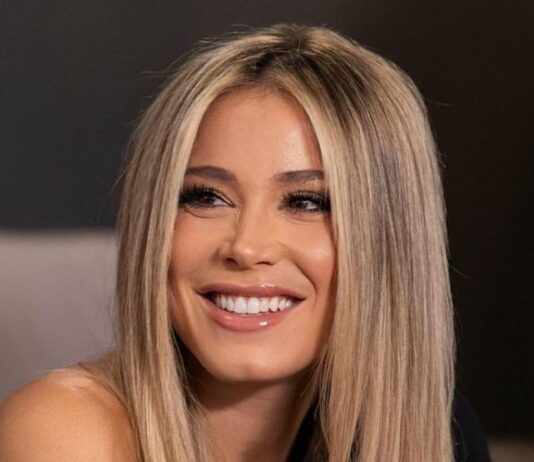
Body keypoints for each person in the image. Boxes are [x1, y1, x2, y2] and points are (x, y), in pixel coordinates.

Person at [0, 23, 490, 461]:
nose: (247, 246)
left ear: (389, 241)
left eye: (306, 202)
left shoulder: (437, 434)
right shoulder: (62, 434)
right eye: (206, 196)